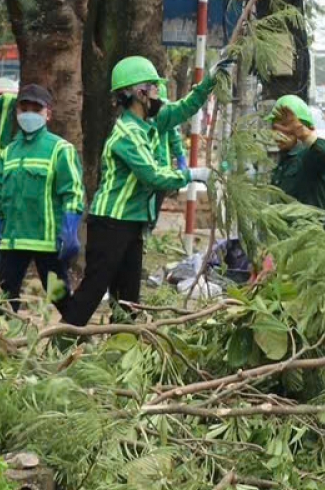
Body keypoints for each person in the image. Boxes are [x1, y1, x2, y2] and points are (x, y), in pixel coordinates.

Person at [61, 57, 216, 326]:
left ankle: (120, 349)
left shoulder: (151, 123)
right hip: (111, 223)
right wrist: (192, 174)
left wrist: (211, 79)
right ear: (139, 93)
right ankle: (60, 341)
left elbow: (186, 107)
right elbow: (153, 175)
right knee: (94, 291)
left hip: (131, 224)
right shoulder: (126, 134)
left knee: (128, 298)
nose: (159, 95)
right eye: (155, 89)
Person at [0, 84, 83, 311]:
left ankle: (73, 339)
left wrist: (70, 228)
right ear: (16, 112)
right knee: (5, 298)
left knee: (60, 296)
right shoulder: (8, 152)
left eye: (36, 109)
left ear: (48, 114)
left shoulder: (60, 149)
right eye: (24, 108)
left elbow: (73, 192)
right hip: (13, 240)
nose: (29, 114)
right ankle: (3, 342)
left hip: (47, 241)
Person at [268, 96, 325, 212]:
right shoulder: (284, 161)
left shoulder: (310, 156)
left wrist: (304, 134)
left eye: (284, 127)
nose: (277, 133)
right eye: (275, 128)